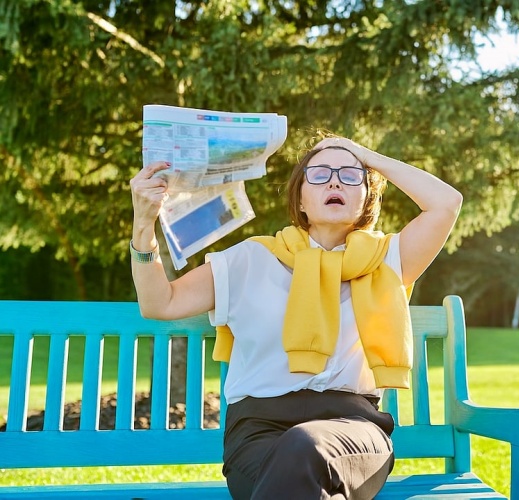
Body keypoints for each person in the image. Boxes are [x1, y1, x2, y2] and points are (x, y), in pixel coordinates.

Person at [129, 135, 462, 499]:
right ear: (300, 198)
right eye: (319, 173)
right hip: (258, 431)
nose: (335, 181)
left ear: (367, 197)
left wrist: (363, 154)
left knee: (304, 447)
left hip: (353, 430)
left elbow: (446, 203)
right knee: (300, 476)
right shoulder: (250, 259)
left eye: (351, 175)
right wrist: (143, 226)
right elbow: (160, 302)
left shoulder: (388, 260)